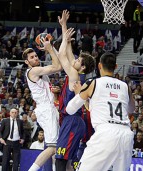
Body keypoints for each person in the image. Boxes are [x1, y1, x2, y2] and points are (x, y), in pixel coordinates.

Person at [66, 53, 135, 171]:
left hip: (105, 133)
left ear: (99, 66)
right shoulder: (125, 86)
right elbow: (131, 109)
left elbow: (70, 109)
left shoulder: (93, 83)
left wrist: (79, 93)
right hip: (126, 135)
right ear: (116, 66)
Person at [55, 10, 96, 171]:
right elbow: (69, 52)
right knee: (69, 162)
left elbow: (61, 54)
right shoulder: (76, 72)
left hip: (72, 120)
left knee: (60, 158)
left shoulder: (74, 74)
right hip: (72, 121)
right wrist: (64, 25)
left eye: (79, 60)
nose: (76, 60)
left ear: (83, 67)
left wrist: (64, 39)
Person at [23, 34, 62, 170]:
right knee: (52, 148)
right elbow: (58, 67)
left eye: (35, 56)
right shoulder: (33, 71)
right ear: (27, 62)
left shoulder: (40, 72)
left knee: (57, 147)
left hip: (49, 108)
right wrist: (50, 48)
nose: (35, 58)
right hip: (46, 110)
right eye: (32, 57)